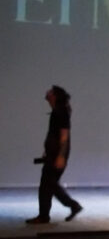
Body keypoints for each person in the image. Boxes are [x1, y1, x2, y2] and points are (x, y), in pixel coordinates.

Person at [27, 85, 83, 224]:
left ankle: (66, 207)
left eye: (50, 91)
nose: (47, 92)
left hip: (57, 155)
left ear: (55, 96)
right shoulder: (57, 111)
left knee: (48, 184)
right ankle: (48, 214)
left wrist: (61, 156)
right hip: (53, 153)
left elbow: (64, 136)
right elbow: (55, 134)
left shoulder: (61, 112)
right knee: (49, 185)